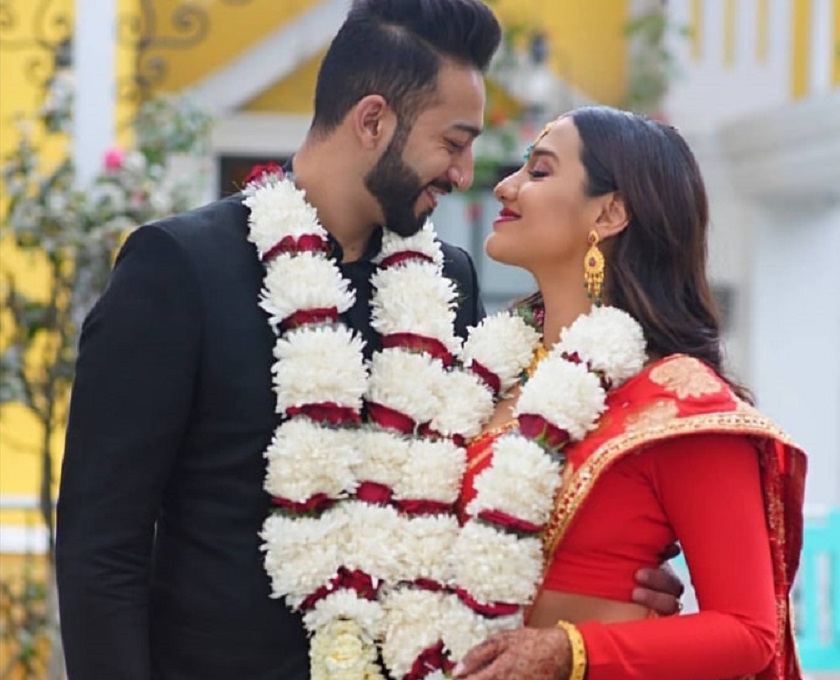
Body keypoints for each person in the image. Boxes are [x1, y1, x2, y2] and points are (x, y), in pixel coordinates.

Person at [55, 2, 682, 678]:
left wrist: (609, 577)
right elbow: (102, 547)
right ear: (373, 120)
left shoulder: (447, 282)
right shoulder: (179, 268)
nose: (465, 173)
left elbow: (478, 487)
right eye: (453, 143)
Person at [451, 106, 806, 680]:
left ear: (610, 212)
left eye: (539, 171)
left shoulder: (678, 405)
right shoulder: (483, 375)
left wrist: (567, 652)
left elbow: (748, 631)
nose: (506, 187)